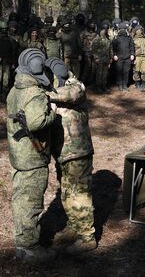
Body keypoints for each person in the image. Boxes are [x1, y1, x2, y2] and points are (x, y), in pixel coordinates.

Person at [6, 48, 56, 264]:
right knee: (31, 201)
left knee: (21, 199)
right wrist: (53, 113)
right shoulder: (34, 93)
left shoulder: (15, 88)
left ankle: (22, 242)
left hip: (18, 153)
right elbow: (36, 122)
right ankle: (29, 247)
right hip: (33, 156)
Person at [45, 57, 97, 255]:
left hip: (78, 152)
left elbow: (71, 95)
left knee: (80, 195)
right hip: (62, 153)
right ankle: (75, 226)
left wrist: (46, 93)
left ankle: (87, 237)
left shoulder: (74, 86)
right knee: (67, 193)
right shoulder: (53, 89)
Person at [0, 21, 18, 103]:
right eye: (2, 29)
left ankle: (4, 97)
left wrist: (13, 63)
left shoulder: (11, 40)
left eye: (5, 29)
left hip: (7, 62)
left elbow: (13, 52)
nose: (4, 30)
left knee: (6, 81)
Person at [112, 22, 135, 91]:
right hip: (119, 58)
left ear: (126, 29)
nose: (123, 30)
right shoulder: (116, 38)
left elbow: (132, 46)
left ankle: (125, 85)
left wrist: (132, 54)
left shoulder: (129, 37)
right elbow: (113, 48)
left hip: (127, 58)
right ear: (119, 29)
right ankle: (120, 85)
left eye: (124, 29)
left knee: (126, 72)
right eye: (121, 29)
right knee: (119, 71)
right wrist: (114, 55)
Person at [91, 25, 113, 92]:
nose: (103, 31)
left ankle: (104, 86)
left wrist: (111, 58)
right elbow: (94, 50)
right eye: (102, 30)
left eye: (105, 30)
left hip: (106, 59)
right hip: (99, 59)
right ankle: (98, 86)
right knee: (99, 74)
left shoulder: (108, 39)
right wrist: (96, 58)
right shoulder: (96, 39)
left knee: (105, 74)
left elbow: (110, 49)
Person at [132, 25, 145, 91]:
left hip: (144, 58)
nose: (139, 31)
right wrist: (133, 57)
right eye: (138, 30)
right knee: (136, 71)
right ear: (135, 31)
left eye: (140, 30)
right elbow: (132, 49)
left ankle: (143, 84)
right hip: (137, 57)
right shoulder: (133, 39)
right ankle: (137, 83)